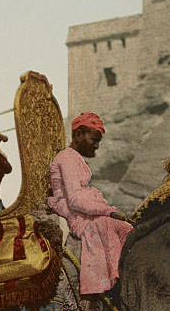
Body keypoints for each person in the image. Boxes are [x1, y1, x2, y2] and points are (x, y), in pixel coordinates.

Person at [48, 112, 133, 296]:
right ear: (78, 135)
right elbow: (75, 199)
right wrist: (108, 211)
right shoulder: (66, 158)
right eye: (94, 140)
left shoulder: (76, 158)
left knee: (124, 227)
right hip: (72, 209)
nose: (96, 145)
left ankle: (120, 276)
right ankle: (106, 284)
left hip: (83, 206)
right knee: (108, 224)